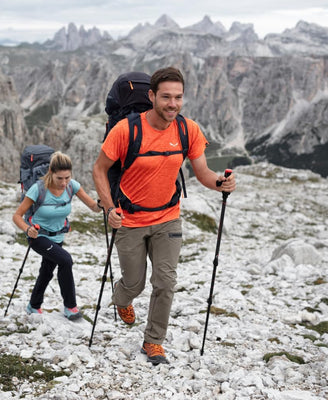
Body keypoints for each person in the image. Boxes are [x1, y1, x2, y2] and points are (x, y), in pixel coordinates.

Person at [92, 67, 236, 364]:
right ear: (152, 96)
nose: (173, 104)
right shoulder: (126, 130)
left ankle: (153, 341)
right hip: (130, 219)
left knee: (165, 282)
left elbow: (203, 173)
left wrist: (220, 183)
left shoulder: (188, 130)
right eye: (166, 97)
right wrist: (109, 208)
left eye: (179, 97)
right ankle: (122, 300)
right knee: (134, 282)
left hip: (168, 217)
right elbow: (99, 169)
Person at [13, 151, 102, 321]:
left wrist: (102, 203)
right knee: (66, 260)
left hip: (58, 237)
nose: (64, 182)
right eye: (59, 178)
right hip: (38, 236)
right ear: (51, 173)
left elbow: (93, 207)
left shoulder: (72, 186)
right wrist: (27, 229)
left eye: (67, 177)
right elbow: (17, 216)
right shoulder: (37, 189)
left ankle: (33, 305)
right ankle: (70, 306)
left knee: (47, 271)